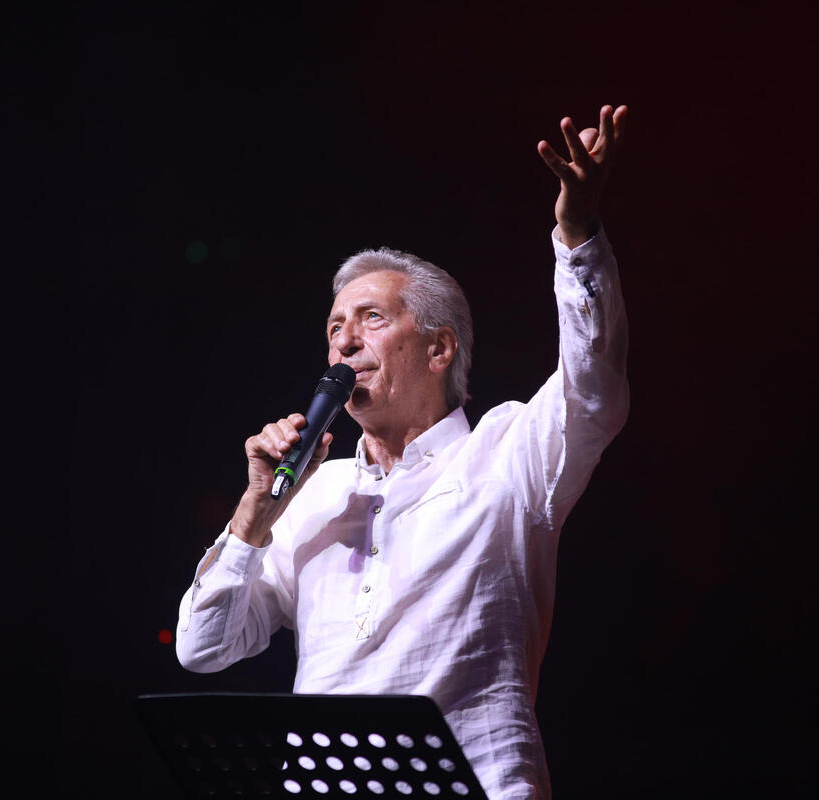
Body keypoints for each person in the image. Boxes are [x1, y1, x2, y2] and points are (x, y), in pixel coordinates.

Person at [176, 105, 630, 800]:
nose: (344, 341)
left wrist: (578, 234)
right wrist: (255, 514)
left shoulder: (507, 455)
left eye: (372, 319)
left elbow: (593, 387)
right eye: (334, 327)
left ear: (439, 349)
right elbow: (203, 649)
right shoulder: (312, 493)